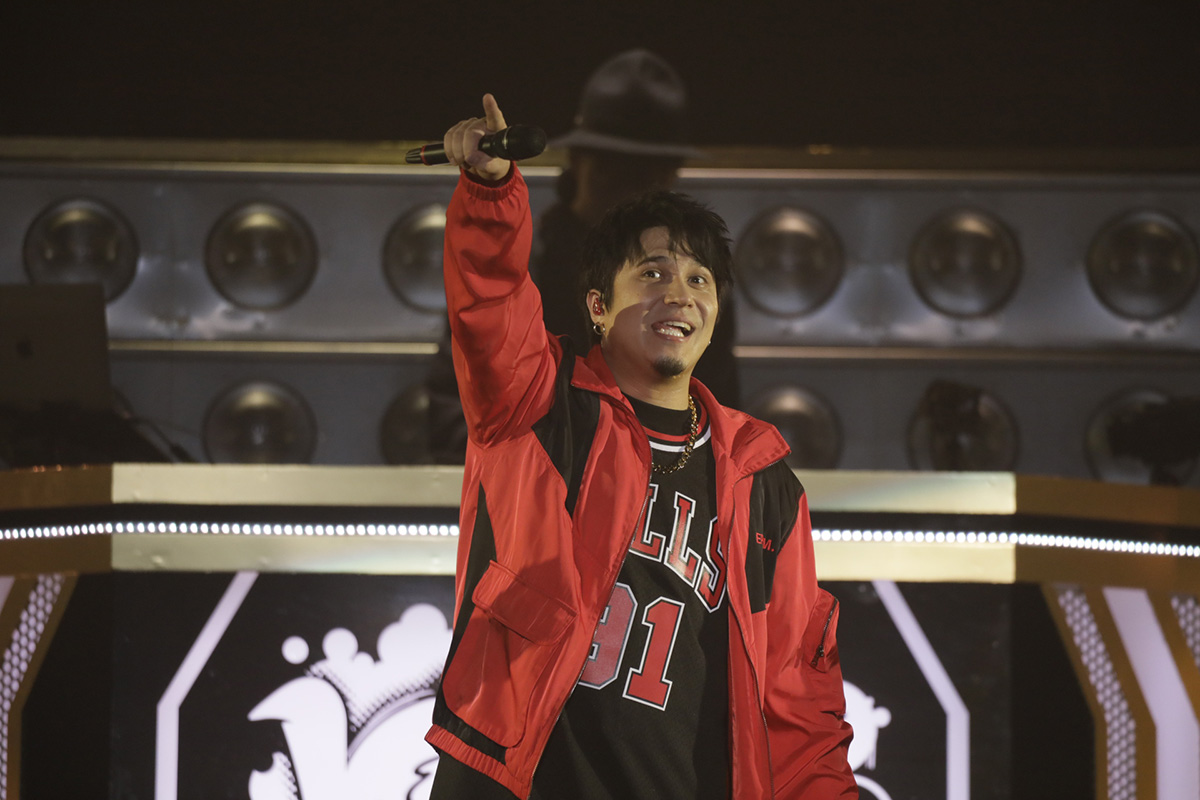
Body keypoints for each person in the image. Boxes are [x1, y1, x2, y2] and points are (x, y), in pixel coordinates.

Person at [425, 94, 855, 799]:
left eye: (698, 279)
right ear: (598, 306)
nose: (678, 295)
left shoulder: (764, 480)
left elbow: (800, 699)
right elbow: (489, 299)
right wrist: (490, 192)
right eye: (652, 273)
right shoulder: (538, 402)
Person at [424, 49, 739, 464]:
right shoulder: (519, 269)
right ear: (577, 162)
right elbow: (455, 413)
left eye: (647, 173)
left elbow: (719, 423)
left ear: (670, 177)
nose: (630, 191)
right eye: (614, 167)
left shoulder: (697, 293)